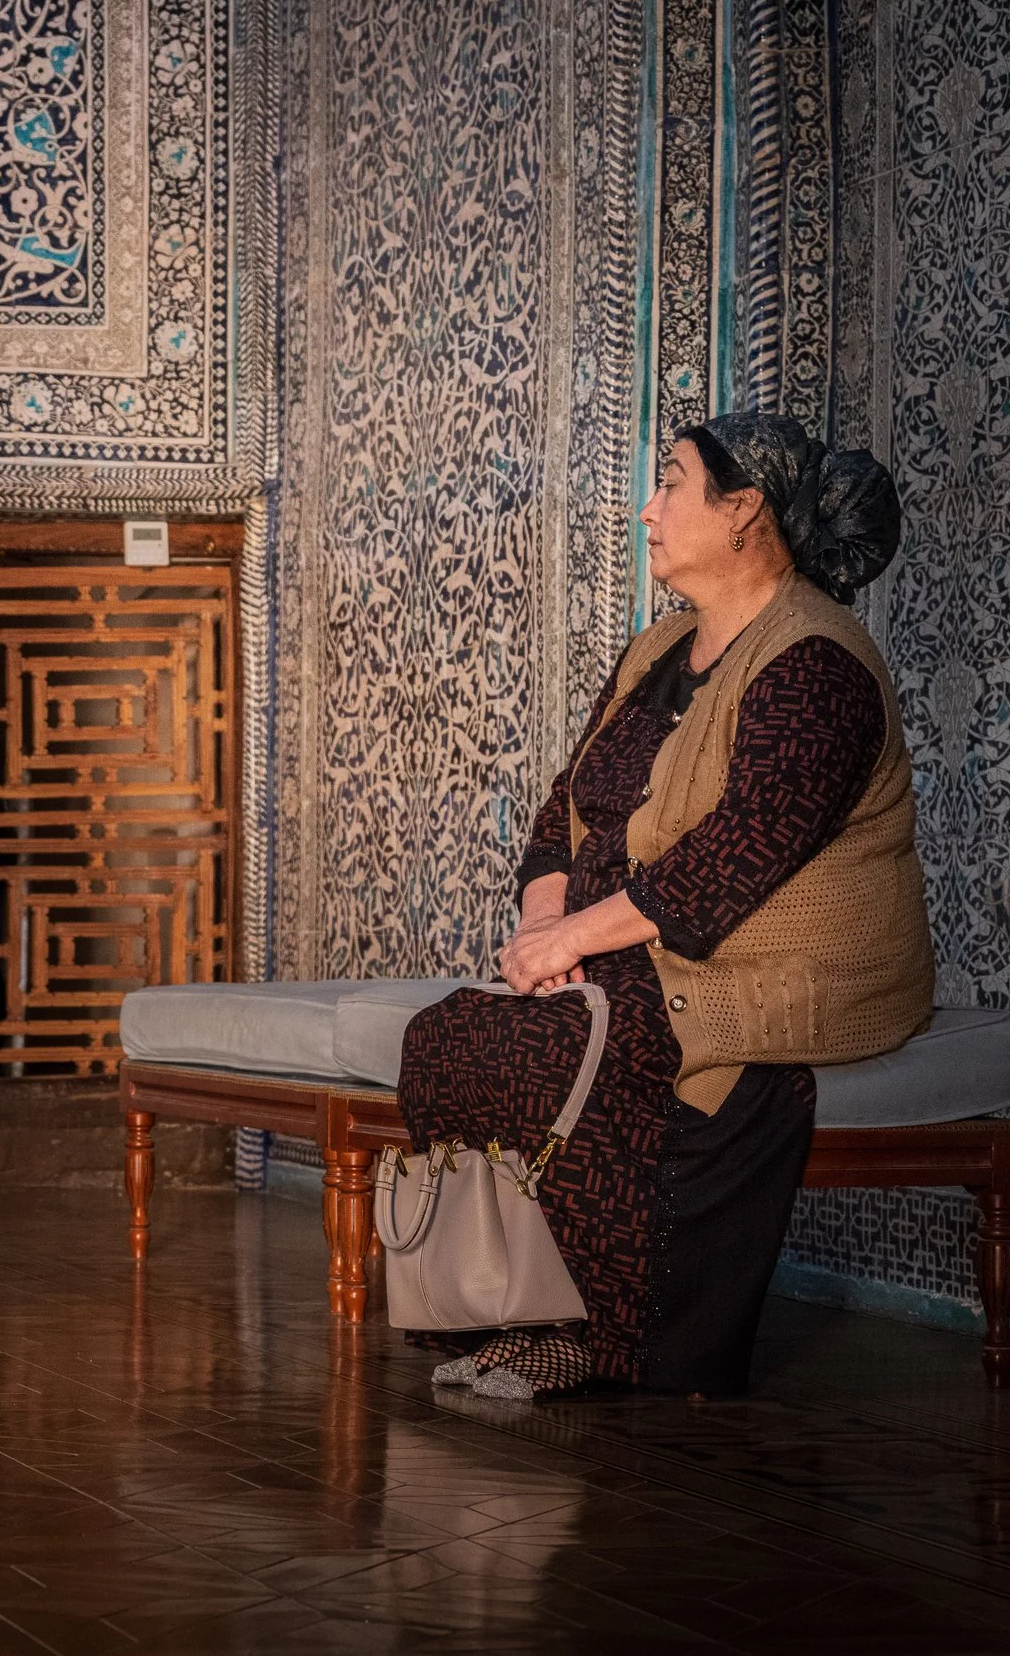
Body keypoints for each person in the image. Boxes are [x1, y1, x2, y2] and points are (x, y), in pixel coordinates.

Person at [397, 412, 932, 1400]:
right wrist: (540, 940)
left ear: (743, 512)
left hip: (768, 968)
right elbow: (567, 805)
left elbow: (733, 859)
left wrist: (574, 940)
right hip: (626, 951)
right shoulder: (659, 648)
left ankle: (612, 1341)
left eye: (672, 485)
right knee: (449, 1038)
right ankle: (517, 1315)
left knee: (559, 1047)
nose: (647, 510)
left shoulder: (815, 662)